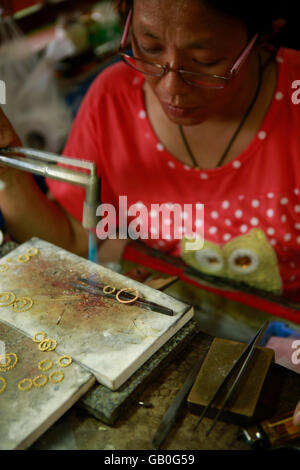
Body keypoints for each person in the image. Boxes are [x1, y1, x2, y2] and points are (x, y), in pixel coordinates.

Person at [0, 0, 299, 424]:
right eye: (150, 48)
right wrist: (7, 175)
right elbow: (69, 243)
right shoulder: (112, 97)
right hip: (159, 336)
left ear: (262, 37)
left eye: (205, 61)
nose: (171, 89)